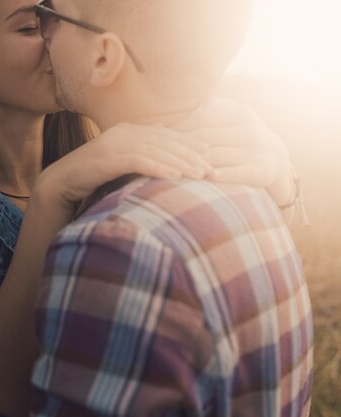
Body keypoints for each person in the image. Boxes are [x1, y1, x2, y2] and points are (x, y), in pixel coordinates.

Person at [0, 0, 299, 416]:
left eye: (56, 15)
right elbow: (1, 387)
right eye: (32, 25)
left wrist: (280, 177)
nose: (53, 32)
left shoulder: (112, 161)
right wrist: (52, 195)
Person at [31, 0, 313, 416]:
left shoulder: (117, 248)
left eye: (52, 12)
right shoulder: (261, 197)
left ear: (104, 57)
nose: (45, 30)